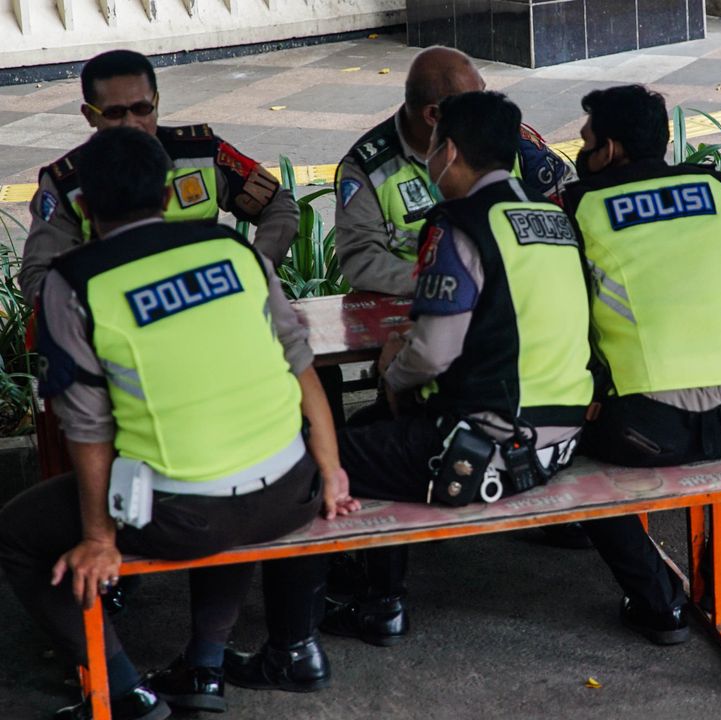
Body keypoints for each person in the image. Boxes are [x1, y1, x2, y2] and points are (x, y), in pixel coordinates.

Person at [0, 127, 358, 720]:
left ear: (85, 208)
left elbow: (87, 428)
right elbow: (301, 363)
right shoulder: (230, 248)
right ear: (168, 196)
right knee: (225, 482)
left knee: (16, 533)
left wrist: (99, 538)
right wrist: (331, 470)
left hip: (182, 517)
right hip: (294, 492)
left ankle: (124, 694)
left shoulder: (76, 282)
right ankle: (204, 665)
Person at [309, 90, 593, 648]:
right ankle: (378, 593)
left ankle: (346, 617)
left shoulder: (457, 224)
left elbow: (434, 353)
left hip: (486, 452)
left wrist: (392, 371)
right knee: (377, 436)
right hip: (561, 442)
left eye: (435, 147)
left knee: (324, 456)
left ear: (450, 151)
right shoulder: (552, 219)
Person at [561, 84, 721, 645]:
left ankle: (658, 602)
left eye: (585, 139)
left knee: (568, 456)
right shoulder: (715, 188)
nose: (579, 149)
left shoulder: (582, 205)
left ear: (608, 149)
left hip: (644, 428)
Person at [19, 49, 299, 303]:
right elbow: (37, 276)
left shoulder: (202, 153)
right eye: (115, 113)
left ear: (156, 102)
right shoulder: (66, 183)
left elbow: (280, 206)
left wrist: (254, 268)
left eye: (141, 109)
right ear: (89, 115)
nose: (131, 124)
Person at [333, 45, 573, 297]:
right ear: (433, 115)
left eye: (484, 93)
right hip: (423, 308)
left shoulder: (505, 136)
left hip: (519, 291)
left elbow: (568, 205)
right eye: (473, 104)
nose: (487, 109)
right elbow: (362, 261)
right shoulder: (367, 167)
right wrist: (451, 283)